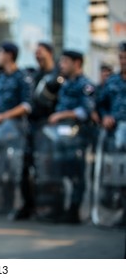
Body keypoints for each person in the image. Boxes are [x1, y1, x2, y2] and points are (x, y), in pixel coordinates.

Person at [13, 42, 62, 220]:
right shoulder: (33, 75)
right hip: (32, 128)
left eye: (40, 52)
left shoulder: (58, 76)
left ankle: (51, 207)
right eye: (35, 53)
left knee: (49, 169)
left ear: (49, 53)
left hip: (50, 129)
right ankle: (29, 205)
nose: (37, 56)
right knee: (25, 167)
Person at [48, 50, 95, 224]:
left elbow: (86, 111)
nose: (61, 65)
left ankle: (74, 210)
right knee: (62, 172)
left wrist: (61, 115)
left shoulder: (85, 84)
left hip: (77, 137)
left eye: (65, 61)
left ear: (77, 63)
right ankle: (62, 208)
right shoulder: (65, 84)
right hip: (61, 137)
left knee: (76, 174)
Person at [0, 41, 32, 217]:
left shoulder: (22, 77)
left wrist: (4, 116)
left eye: (0, 52)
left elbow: (26, 106)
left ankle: (24, 206)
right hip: (0, 133)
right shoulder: (0, 77)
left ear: (9, 55)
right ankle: (5, 204)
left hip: (16, 132)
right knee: (2, 170)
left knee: (18, 171)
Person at [95, 41, 126, 227]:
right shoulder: (112, 81)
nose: (123, 61)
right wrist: (105, 116)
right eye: (121, 57)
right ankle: (122, 212)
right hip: (116, 137)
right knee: (118, 177)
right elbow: (101, 104)